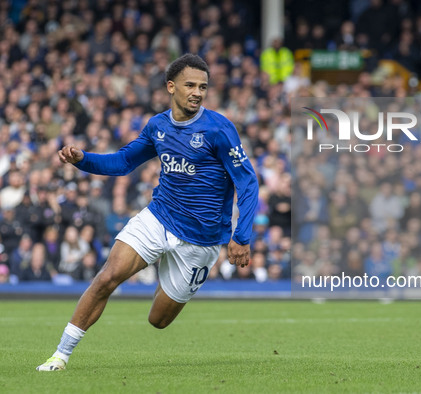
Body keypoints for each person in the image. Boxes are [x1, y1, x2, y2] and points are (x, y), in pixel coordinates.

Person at [36, 54, 259, 371]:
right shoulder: (158, 126)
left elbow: (247, 182)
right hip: (159, 216)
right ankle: (60, 355)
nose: (197, 92)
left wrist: (242, 236)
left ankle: (166, 272)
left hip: (201, 240)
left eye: (203, 87)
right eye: (190, 85)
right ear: (171, 87)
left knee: (159, 320)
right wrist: (82, 159)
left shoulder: (219, 130)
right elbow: (123, 162)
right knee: (107, 277)